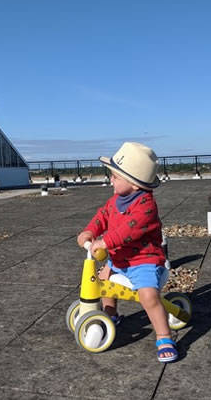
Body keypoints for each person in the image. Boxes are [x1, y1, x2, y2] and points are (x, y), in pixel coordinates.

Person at [77, 142, 177, 363]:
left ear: (133, 183)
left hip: (145, 261)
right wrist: (90, 231)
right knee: (104, 282)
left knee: (148, 297)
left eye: (115, 176)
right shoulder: (115, 200)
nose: (111, 179)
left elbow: (129, 229)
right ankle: (111, 315)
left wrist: (105, 242)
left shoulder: (146, 206)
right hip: (121, 259)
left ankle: (164, 336)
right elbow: (102, 215)